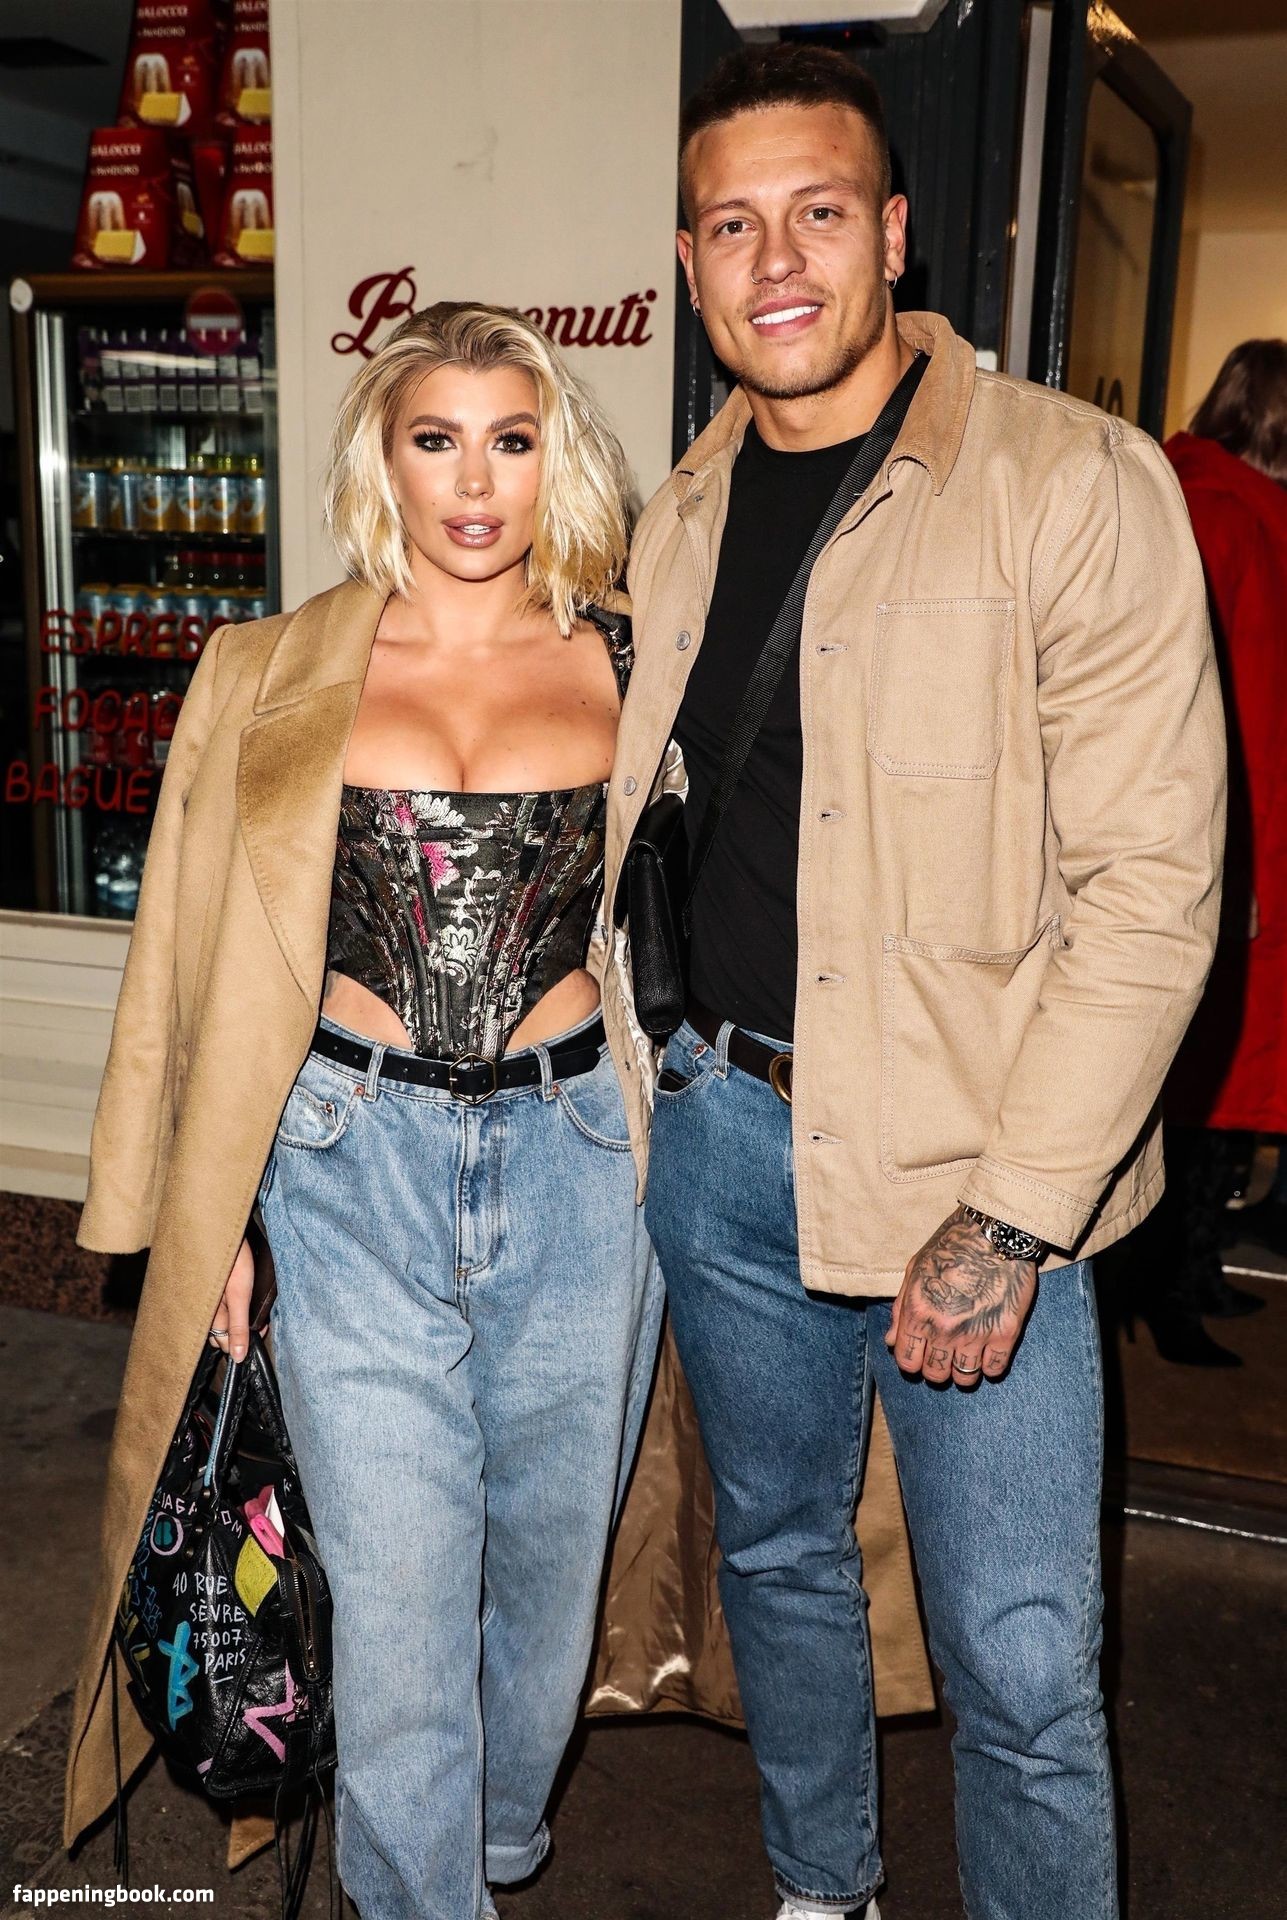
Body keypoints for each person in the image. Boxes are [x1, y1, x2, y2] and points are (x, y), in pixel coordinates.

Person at [595, 43, 1225, 1920]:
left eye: (815, 212)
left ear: (890, 234)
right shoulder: (677, 513)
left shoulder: (1067, 482)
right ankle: (824, 1888)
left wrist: (1012, 1220)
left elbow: (1150, 894)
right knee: (778, 1562)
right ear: (690, 262)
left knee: (1020, 1660)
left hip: (978, 1167)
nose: (773, 260)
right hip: (723, 1137)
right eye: (731, 225)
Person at [65, 302, 664, 1918]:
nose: (473, 481)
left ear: (554, 457)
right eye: (435, 439)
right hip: (345, 1164)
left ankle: (490, 1836)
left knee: (547, 1588)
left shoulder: (637, 655)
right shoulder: (265, 669)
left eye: (511, 440)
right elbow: (187, 951)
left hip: (580, 1169)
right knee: (397, 1615)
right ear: (381, 460)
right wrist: (210, 1218)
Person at [1155, 342, 1287, 1352]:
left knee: (1224, 1073)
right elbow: (1199, 708)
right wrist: (1221, 863)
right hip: (1230, 840)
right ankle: (1171, 1290)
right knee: (1199, 1075)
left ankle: (1191, 1275)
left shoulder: (1238, 511)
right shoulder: (1218, 515)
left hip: (1257, 833)